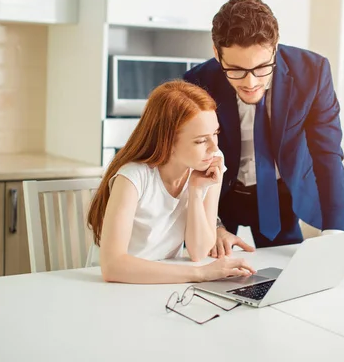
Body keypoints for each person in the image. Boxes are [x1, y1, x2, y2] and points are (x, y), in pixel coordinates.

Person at [183, 0, 344, 277]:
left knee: (289, 280)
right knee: (210, 278)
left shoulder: (313, 73)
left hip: (279, 198)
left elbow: (327, 154)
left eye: (261, 68)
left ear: (274, 48)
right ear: (216, 52)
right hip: (218, 197)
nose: (250, 83)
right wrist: (214, 225)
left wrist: (336, 233)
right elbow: (185, 164)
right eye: (235, 70)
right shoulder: (195, 82)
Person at [87, 80, 256, 284]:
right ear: (167, 141)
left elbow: (199, 251)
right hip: (112, 286)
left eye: (215, 134)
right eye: (201, 140)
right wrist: (201, 274)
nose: (213, 148)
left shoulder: (208, 164)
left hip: (164, 281)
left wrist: (195, 192)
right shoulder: (132, 178)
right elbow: (113, 267)